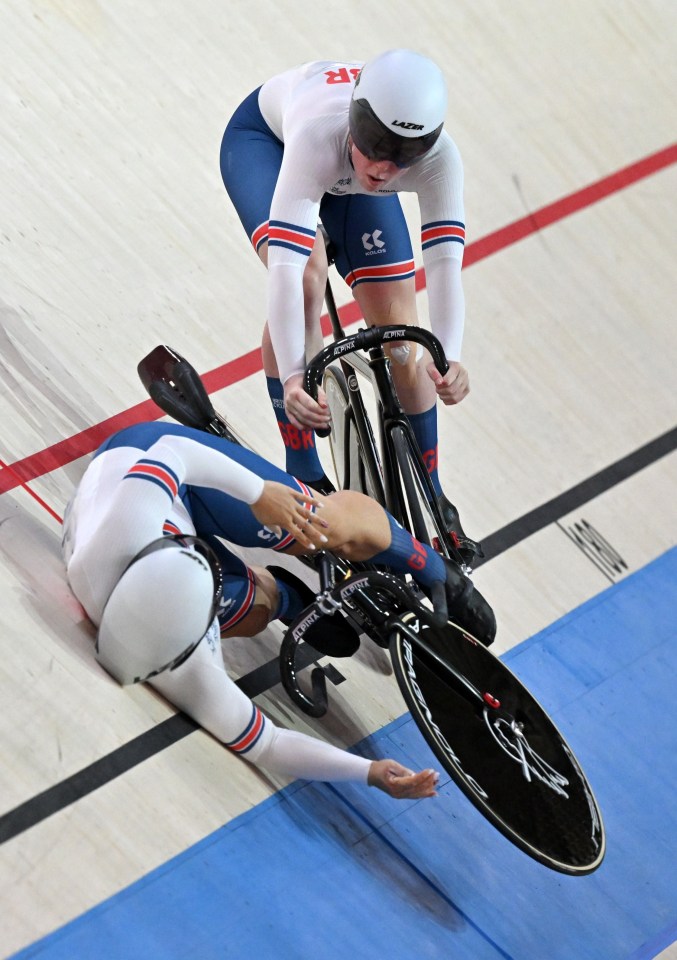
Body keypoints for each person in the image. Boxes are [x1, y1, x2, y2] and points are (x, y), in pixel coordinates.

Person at [62, 422, 494, 800]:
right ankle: (286, 597)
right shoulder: (189, 671)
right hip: (164, 553)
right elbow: (266, 743)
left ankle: (434, 568)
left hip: (148, 459)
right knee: (250, 607)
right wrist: (368, 772)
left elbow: (175, 453)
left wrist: (259, 493)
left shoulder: (122, 530)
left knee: (323, 527)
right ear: (194, 641)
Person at [221, 48, 481, 563]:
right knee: (308, 273)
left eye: (402, 155)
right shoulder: (320, 134)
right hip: (269, 147)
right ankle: (303, 468)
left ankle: (431, 490)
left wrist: (446, 357)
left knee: (406, 344)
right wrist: (296, 378)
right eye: (377, 146)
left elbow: (446, 264)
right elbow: (288, 271)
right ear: (356, 122)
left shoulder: (436, 160)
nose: (384, 169)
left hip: (344, 174)